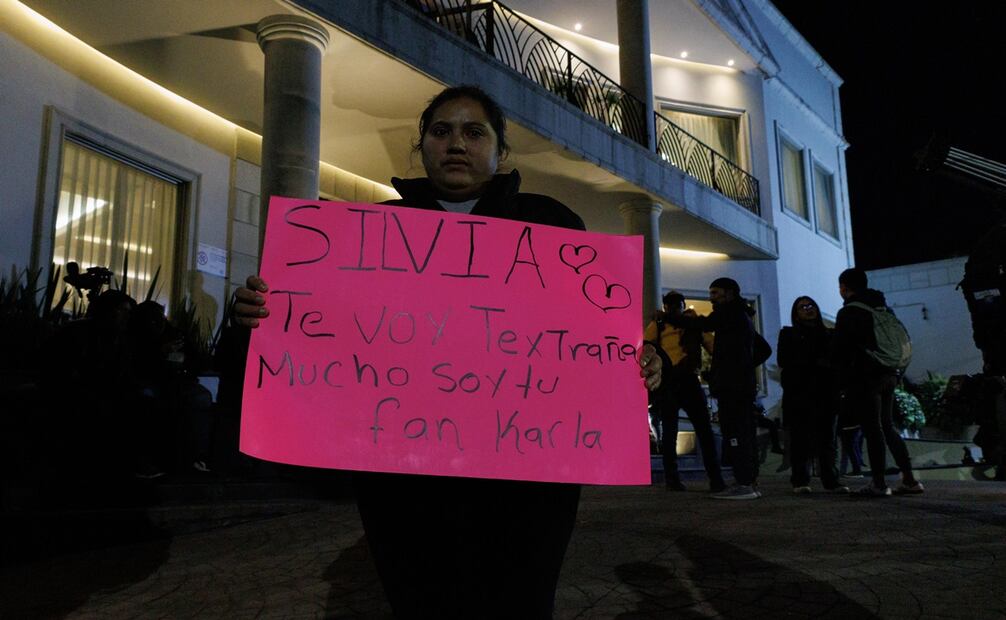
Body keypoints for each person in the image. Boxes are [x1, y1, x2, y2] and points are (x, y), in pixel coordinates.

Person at [232, 85, 663, 618]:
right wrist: (255, 317)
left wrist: (641, 364)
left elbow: (591, 339)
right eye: (441, 131)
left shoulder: (551, 224)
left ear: (500, 151)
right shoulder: (365, 233)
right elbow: (315, 341)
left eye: (473, 131)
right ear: (422, 146)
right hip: (405, 487)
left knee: (519, 604)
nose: (455, 143)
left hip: (527, 489)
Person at [663, 277, 761, 500]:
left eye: (715, 293)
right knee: (738, 433)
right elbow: (759, 348)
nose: (711, 298)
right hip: (735, 383)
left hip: (731, 385)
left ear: (729, 293)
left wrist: (732, 367)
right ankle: (747, 481)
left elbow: (703, 326)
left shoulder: (730, 313)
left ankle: (744, 483)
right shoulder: (740, 314)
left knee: (734, 433)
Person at [833, 267, 923, 496]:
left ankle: (879, 484)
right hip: (890, 373)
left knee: (873, 428)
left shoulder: (849, 312)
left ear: (844, 287)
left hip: (866, 376)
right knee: (888, 426)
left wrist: (842, 381)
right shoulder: (883, 307)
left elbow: (843, 350)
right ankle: (910, 480)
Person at [645, 292, 725, 492]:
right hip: (670, 381)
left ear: (683, 305)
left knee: (701, 431)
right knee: (672, 432)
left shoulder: (691, 324)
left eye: (676, 305)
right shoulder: (660, 325)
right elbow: (645, 346)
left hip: (688, 379)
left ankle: (714, 479)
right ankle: (675, 479)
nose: (673, 308)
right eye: (670, 305)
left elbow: (714, 347)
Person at [777, 296, 847, 494]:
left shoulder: (829, 334)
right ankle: (800, 480)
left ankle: (830, 480)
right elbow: (784, 361)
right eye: (802, 307)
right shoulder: (789, 334)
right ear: (796, 313)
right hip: (800, 394)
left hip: (825, 393)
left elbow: (836, 362)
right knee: (800, 439)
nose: (808, 309)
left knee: (827, 440)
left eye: (811, 306)